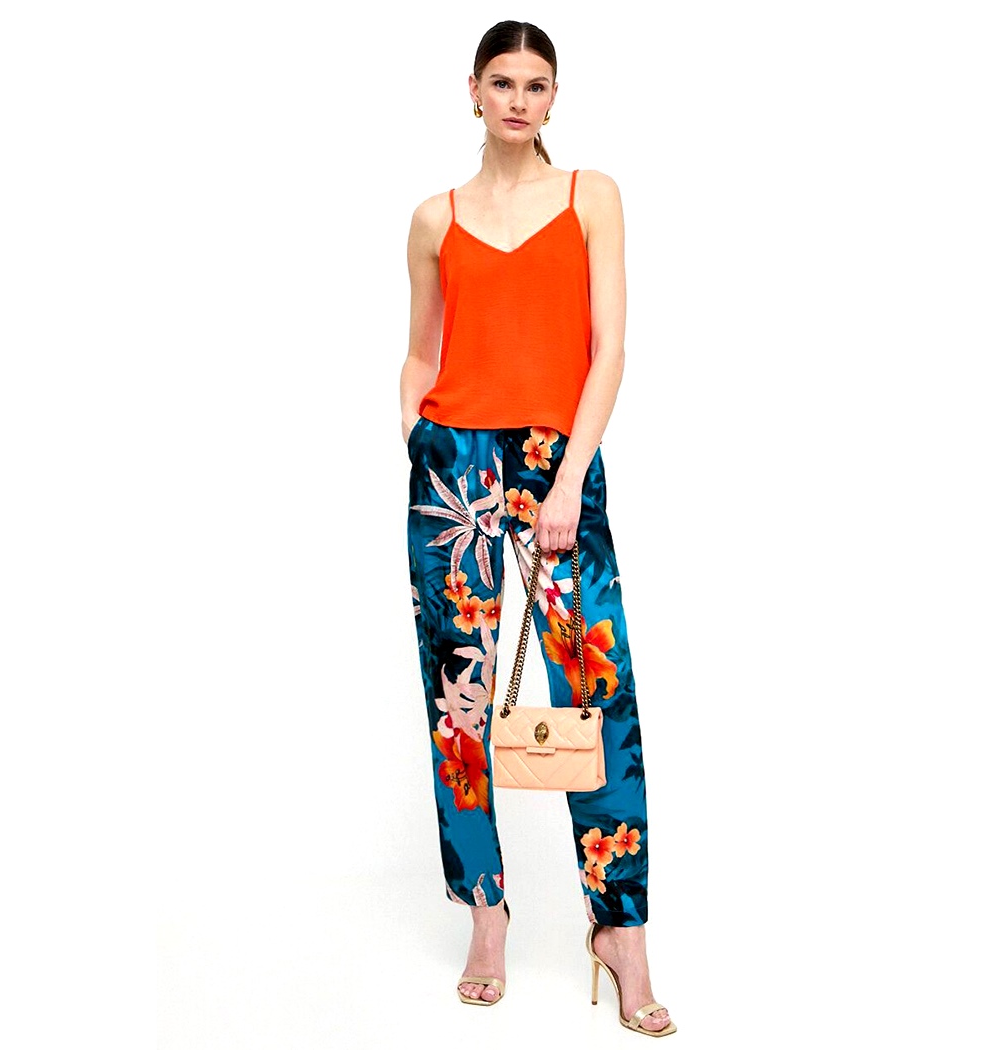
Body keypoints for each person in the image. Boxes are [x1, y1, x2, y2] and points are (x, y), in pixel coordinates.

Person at [399, 20, 676, 1038]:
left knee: (599, 689)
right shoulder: (434, 217)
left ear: (554, 98)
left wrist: (568, 479)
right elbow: (421, 348)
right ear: (473, 90)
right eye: (503, 82)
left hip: (557, 459)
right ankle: (487, 913)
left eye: (538, 84)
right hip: (453, 470)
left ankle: (620, 931)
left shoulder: (590, 196)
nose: (519, 99)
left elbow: (610, 351)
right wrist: (417, 431)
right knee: (459, 700)